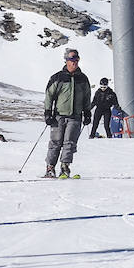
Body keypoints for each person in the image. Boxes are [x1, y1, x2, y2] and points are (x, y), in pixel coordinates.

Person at [43, 48, 92, 178]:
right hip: (59, 115)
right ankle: (50, 168)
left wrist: (87, 112)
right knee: (56, 142)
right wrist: (48, 112)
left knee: (70, 142)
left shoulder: (83, 78)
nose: (75, 62)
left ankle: (65, 167)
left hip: (75, 116)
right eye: (72, 59)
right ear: (66, 61)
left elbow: (87, 96)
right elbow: (49, 95)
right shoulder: (58, 77)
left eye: (77, 59)